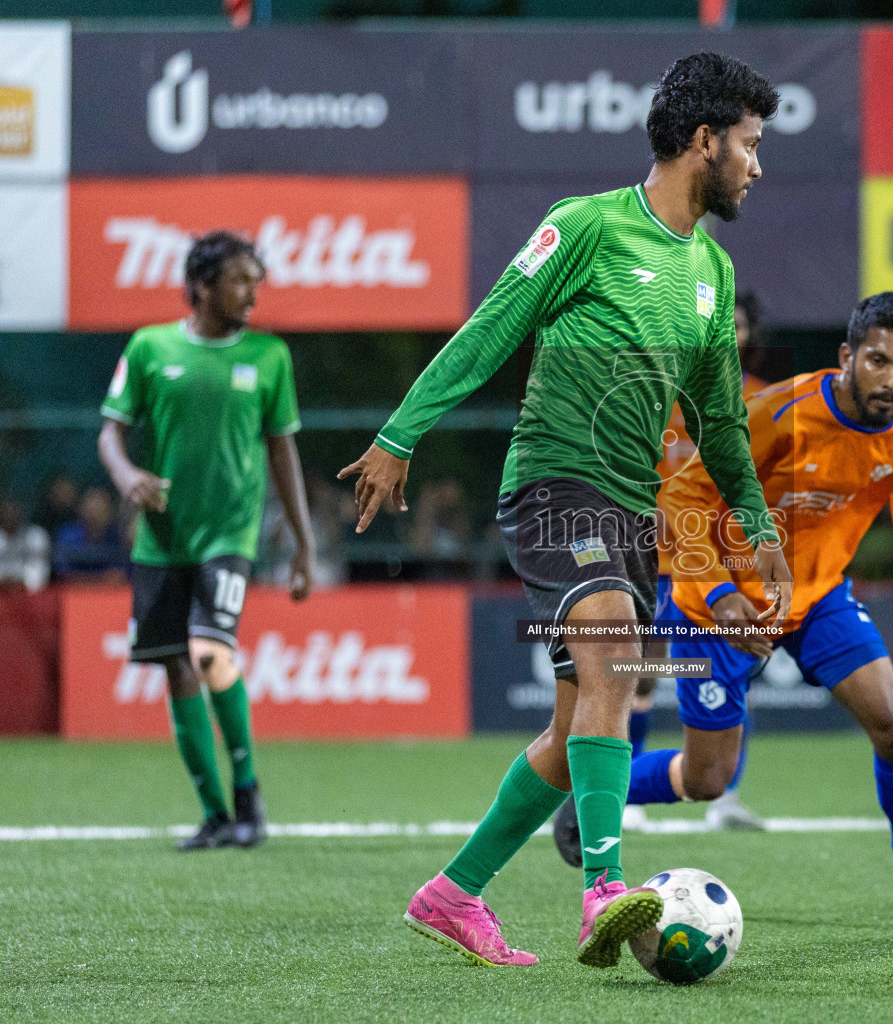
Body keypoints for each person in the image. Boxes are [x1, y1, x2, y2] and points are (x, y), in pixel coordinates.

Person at [340, 52, 793, 969]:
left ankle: (452, 894)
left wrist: (759, 527)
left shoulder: (709, 268)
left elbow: (718, 425)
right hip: (554, 484)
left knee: (572, 724)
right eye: (748, 145)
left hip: (632, 514)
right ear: (702, 141)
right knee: (618, 656)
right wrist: (400, 434)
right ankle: (604, 892)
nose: (757, 164)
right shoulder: (585, 227)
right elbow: (491, 329)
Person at [555, 292, 893, 921]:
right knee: (706, 777)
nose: (892, 380)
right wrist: (719, 592)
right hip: (717, 612)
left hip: (816, 600)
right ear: (847, 355)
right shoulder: (776, 412)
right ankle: (596, 791)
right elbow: (682, 497)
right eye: (877, 361)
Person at [98, 230, 317, 853]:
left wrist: (303, 546)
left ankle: (248, 793)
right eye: (241, 279)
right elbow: (110, 432)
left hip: (230, 534)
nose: (253, 291)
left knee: (209, 652)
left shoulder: (271, 356)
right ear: (202, 285)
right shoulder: (149, 347)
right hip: (161, 541)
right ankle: (215, 814)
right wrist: (126, 476)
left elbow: (283, 451)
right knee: (175, 667)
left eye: (256, 279)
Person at [623, 288, 771, 836]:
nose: (729, 335)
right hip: (656, 557)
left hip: (730, 563)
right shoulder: (656, 394)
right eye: (718, 324)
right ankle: (627, 799)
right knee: (641, 676)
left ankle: (727, 796)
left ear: (751, 334)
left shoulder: (765, 400)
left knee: (735, 672)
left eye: (738, 325)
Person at [51, 487, 128, 583]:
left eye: (100, 508)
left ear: (111, 511)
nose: (94, 514)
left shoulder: (119, 537)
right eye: (91, 507)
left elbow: (120, 575)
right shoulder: (68, 535)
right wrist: (99, 579)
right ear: (81, 508)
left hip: (109, 595)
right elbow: (61, 574)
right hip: (72, 594)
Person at [0, 496, 50, 592]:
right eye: (5, 512)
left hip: (30, 595)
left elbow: (40, 570)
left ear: (21, 513)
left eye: (14, 511)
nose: (10, 516)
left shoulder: (37, 536)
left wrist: (22, 583)